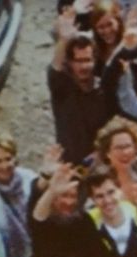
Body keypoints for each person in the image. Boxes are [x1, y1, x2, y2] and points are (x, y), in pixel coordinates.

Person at [50, 8, 116, 164]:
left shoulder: (104, 89)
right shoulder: (62, 89)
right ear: (70, 63)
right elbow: (55, 68)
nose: (84, 66)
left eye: (87, 60)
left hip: (100, 164)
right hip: (70, 165)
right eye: (78, 61)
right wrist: (64, 39)